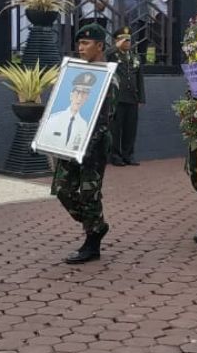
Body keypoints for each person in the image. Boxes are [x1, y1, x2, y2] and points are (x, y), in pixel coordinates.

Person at [51, 24, 118, 264]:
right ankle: (97, 225)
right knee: (62, 189)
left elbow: (106, 115)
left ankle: (92, 241)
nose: (80, 48)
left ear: (99, 46)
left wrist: (89, 142)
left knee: (89, 192)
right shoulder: (75, 72)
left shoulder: (109, 75)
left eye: (86, 44)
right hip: (70, 138)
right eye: (79, 43)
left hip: (94, 143)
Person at [109, 28, 144, 166]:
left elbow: (140, 79)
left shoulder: (135, 57)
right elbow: (103, 56)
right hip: (117, 98)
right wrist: (114, 48)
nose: (127, 42)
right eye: (124, 40)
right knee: (116, 129)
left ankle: (128, 155)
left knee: (130, 128)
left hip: (132, 97)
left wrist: (141, 98)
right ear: (117, 41)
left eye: (129, 39)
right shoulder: (112, 56)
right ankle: (115, 156)